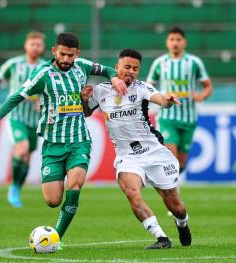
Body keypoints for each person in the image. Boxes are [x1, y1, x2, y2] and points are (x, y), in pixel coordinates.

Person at [0, 32, 127, 241]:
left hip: (78, 140)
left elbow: (107, 69)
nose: (66, 60)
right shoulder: (43, 74)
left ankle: (56, 238)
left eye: (70, 55)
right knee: (53, 200)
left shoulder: (81, 65)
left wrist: (114, 77)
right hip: (53, 145)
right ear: (55, 51)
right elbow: (16, 96)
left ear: (77, 54)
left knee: (74, 187)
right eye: (62, 54)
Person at [81, 49, 191, 249]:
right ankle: (162, 238)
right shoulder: (101, 90)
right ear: (116, 68)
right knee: (132, 193)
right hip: (127, 156)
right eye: (127, 67)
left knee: (175, 205)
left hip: (154, 152)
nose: (131, 71)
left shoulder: (142, 88)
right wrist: (83, 99)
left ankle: (182, 223)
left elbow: (160, 99)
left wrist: (168, 101)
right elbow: (87, 111)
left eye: (135, 68)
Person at [146, 26, 213, 176]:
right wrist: (158, 98)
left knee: (181, 164)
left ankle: (172, 187)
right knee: (171, 159)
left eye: (178, 39)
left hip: (189, 119)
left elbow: (208, 86)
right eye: (172, 39)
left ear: (184, 42)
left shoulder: (194, 62)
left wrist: (202, 96)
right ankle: (171, 195)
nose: (175, 42)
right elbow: (148, 87)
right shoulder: (159, 63)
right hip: (167, 118)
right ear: (167, 43)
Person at [0, 31, 46, 208]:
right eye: (32, 44)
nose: (35, 47)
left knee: (27, 156)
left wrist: (42, 103)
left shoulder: (45, 67)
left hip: (34, 120)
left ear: (43, 47)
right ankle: (13, 187)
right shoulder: (14, 64)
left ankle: (17, 187)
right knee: (22, 149)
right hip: (16, 116)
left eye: (38, 45)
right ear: (26, 45)